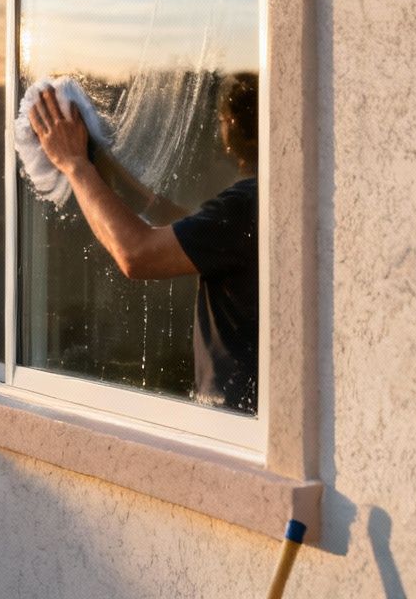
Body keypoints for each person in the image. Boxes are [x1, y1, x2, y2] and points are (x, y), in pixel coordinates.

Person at [29, 73, 258, 414]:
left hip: (236, 416)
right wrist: (101, 165)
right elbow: (181, 224)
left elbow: (137, 254)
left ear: (232, 126)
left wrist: (75, 165)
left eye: (224, 118)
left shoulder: (247, 204)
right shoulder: (261, 200)